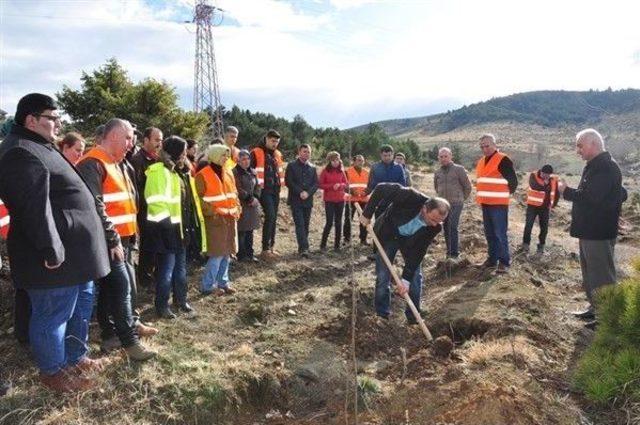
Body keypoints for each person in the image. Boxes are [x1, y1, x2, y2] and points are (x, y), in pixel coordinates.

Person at [0, 93, 110, 392]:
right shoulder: (20, 151)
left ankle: (75, 358)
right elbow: (32, 208)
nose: (58, 123)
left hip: (76, 255)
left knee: (79, 307)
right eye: (52, 118)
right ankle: (53, 373)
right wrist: (51, 248)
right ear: (31, 120)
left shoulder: (40, 145)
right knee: (52, 315)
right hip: (54, 256)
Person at [77, 119, 156, 360]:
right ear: (112, 137)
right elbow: (95, 206)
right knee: (122, 286)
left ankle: (111, 336)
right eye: (128, 138)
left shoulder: (117, 163)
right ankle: (130, 344)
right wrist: (112, 240)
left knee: (118, 287)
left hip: (125, 237)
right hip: (108, 240)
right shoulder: (92, 164)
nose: (131, 144)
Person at [557, 129, 627, 329]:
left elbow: (591, 198)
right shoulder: (596, 166)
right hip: (589, 230)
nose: (577, 150)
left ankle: (608, 318)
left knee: (601, 275)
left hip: (598, 231)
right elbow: (618, 193)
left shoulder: (605, 167)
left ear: (593, 144)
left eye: (580, 145)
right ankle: (595, 308)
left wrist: (566, 191)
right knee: (590, 273)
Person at [360, 183, 449, 323]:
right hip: (389, 234)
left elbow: (418, 252)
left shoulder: (435, 227)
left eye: (438, 222)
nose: (434, 224)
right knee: (383, 274)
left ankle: (414, 317)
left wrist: (405, 280)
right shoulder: (410, 196)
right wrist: (367, 213)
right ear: (424, 208)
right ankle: (382, 315)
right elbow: (380, 189)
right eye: (432, 219)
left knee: (415, 276)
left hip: (410, 243)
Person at [144, 136, 200, 318]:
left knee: (181, 269)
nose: (185, 155)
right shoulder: (158, 171)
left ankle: (181, 300)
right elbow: (155, 203)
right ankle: (162, 306)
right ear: (175, 152)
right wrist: (168, 228)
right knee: (166, 271)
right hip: (166, 231)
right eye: (183, 152)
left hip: (180, 229)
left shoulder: (179, 172)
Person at [196, 144, 240, 296]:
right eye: (223, 155)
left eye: (227, 156)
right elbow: (198, 199)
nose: (226, 158)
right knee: (216, 255)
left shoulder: (228, 173)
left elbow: (234, 194)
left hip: (229, 219)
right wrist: (212, 211)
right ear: (214, 155)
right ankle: (207, 286)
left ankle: (223, 282)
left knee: (227, 253)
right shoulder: (202, 174)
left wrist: (237, 209)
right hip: (215, 220)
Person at [475, 134, 517, 274]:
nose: (484, 149)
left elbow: (513, 182)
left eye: (487, 145)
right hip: (485, 203)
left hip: (498, 204)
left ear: (494, 144)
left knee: (500, 233)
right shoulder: (481, 161)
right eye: (482, 146)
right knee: (489, 234)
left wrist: (503, 195)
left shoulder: (503, 159)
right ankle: (492, 260)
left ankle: (504, 262)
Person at [131, 127, 162, 289]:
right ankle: (145, 279)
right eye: (156, 140)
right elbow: (136, 189)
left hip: (159, 210)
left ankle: (155, 275)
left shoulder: (158, 159)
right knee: (148, 246)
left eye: (161, 140)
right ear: (146, 141)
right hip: (145, 211)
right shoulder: (137, 161)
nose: (159, 143)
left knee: (157, 244)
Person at [250, 129, 285, 259]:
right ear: (266, 139)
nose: (274, 143)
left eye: (277, 141)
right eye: (272, 140)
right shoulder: (256, 152)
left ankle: (270, 248)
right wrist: (254, 192)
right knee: (270, 216)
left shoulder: (277, 154)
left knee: (273, 218)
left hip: (275, 191)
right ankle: (265, 249)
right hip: (263, 191)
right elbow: (250, 171)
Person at [434, 147, 472, 259]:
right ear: (438, 158)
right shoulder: (437, 172)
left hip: (456, 203)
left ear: (451, 156)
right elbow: (436, 187)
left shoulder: (459, 169)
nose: (444, 159)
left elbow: (467, 186)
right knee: (446, 227)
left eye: (446, 156)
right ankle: (449, 252)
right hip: (443, 205)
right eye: (441, 157)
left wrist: (461, 198)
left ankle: (454, 254)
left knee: (452, 226)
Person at [517, 164, 560, 256]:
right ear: (541, 171)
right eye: (544, 174)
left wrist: (553, 205)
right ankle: (525, 246)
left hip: (545, 208)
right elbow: (534, 186)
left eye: (548, 175)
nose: (546, 176)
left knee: (544, 228)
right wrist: (545, 185)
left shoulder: (553, 180)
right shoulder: (534, 175)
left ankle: (541, 247)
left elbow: (556, 193)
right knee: (529, 225)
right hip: (532, 206)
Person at [284, 144, 318, 257]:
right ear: (299, 152)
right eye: (304, 151)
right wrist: (300, 192)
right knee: (300, 224)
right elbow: (289, 181)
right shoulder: (291, 166)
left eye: (308, 152)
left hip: (308, 201)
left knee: (306, 224)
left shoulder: (312, 167)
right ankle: (304, 248)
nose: (306, 154)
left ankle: (302, 247)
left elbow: (316, 184)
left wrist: (308, 193)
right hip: (296, 200)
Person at [234, 149, 262, 262]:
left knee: (250, 230)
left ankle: (250, 254)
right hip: (242, 205)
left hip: (252, 206)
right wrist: (249, 198)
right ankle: (241, 255)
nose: (246, 161)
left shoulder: (253, 171)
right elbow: (237, 188)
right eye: (243, 159)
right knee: (242, 231)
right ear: (238, 160)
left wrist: (256, 197)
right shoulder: (235, 172)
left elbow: (258, 186)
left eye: (248, 158)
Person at [319, 151, 348, 251]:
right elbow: (320, 185)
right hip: (329, 200)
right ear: (329, 161)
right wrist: (332, 186)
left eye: (337, 160)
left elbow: (346, 183)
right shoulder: (325, 171)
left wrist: (340, 185)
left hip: (340, 199)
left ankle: (337, 245)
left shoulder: (342, 170)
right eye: (333, 160)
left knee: (339, 222)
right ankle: (323, 244)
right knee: (329, 222)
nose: (335, 162)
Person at [343, 154, 370, 246]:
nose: (361, 162)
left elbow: (369, 186)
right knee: (348, 219)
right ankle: (346, 239)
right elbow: (344, 185)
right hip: (351, 199)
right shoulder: (347, 172)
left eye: (362, 160)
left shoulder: (367, 172)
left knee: (364, 220)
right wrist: (351, 191)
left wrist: (366, 192)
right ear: (354, 161)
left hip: (363, 199)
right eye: (358, 160)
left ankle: (363, 239)